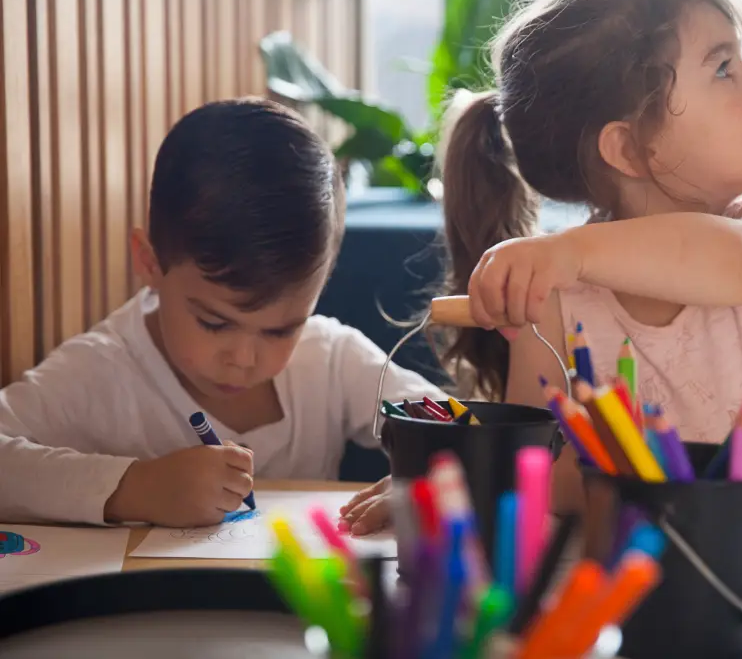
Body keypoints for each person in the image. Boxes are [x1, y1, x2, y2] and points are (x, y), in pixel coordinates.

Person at [341, 0, 742, 532]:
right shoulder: (560, 299)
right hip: (694, 584)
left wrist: (570, 253)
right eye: (723, 67)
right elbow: (546, 476)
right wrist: (466, 479)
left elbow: (740, 264)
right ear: (626, 148)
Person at [0, 98, 441, 527]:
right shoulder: (101, 369)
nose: (244, 358)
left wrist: (424, 476)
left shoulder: (329, 358)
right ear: (150, 263)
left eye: (281, 330)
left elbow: (460, 428)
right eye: (214, 323)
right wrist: (134, 488)